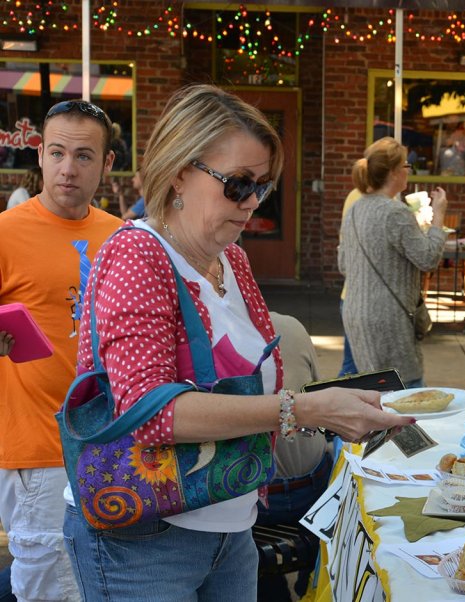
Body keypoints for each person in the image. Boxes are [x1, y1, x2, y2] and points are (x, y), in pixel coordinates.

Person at [61, 85, 412, 601]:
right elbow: (151, 411)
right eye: (237, 184)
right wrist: (306, 409)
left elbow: (256, 382)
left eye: (262, 186)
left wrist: (339, 405)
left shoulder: (231, 259)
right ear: (180, 170)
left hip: (231, 522)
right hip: (144, 537)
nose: (251, 202)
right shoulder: (139, 254)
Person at [0, 98, 123, 602]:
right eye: (56, 153)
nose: (67, 169)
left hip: (113, 441)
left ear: (108, 163)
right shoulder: (6, 232)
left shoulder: (123, 237)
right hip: (39, 447)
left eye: (84, 156)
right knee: (50, 587)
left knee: (102, 580)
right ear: (41, 156)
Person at [339, 137, 447, 389]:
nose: (409, 170)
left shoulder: (356, 208)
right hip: (390, 319)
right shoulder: (395, 212)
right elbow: (428, 258)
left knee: (374, 393)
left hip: (356, 314)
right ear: (394, 172)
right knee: (407, 394)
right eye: (406, 165)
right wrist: (438, 215)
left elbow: (344, 263)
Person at [258, 312, 330, 601]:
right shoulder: (290, 325)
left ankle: (271, 592)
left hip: (255, 496)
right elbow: (316, 394)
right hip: (310, 489)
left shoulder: (202, 340)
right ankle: (310, 581)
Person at [336, 188, 363, 377]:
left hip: (353, 295)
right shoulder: (363, 199)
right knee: (351, 368)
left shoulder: (356, 195)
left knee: (352, 366)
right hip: (362, 298)